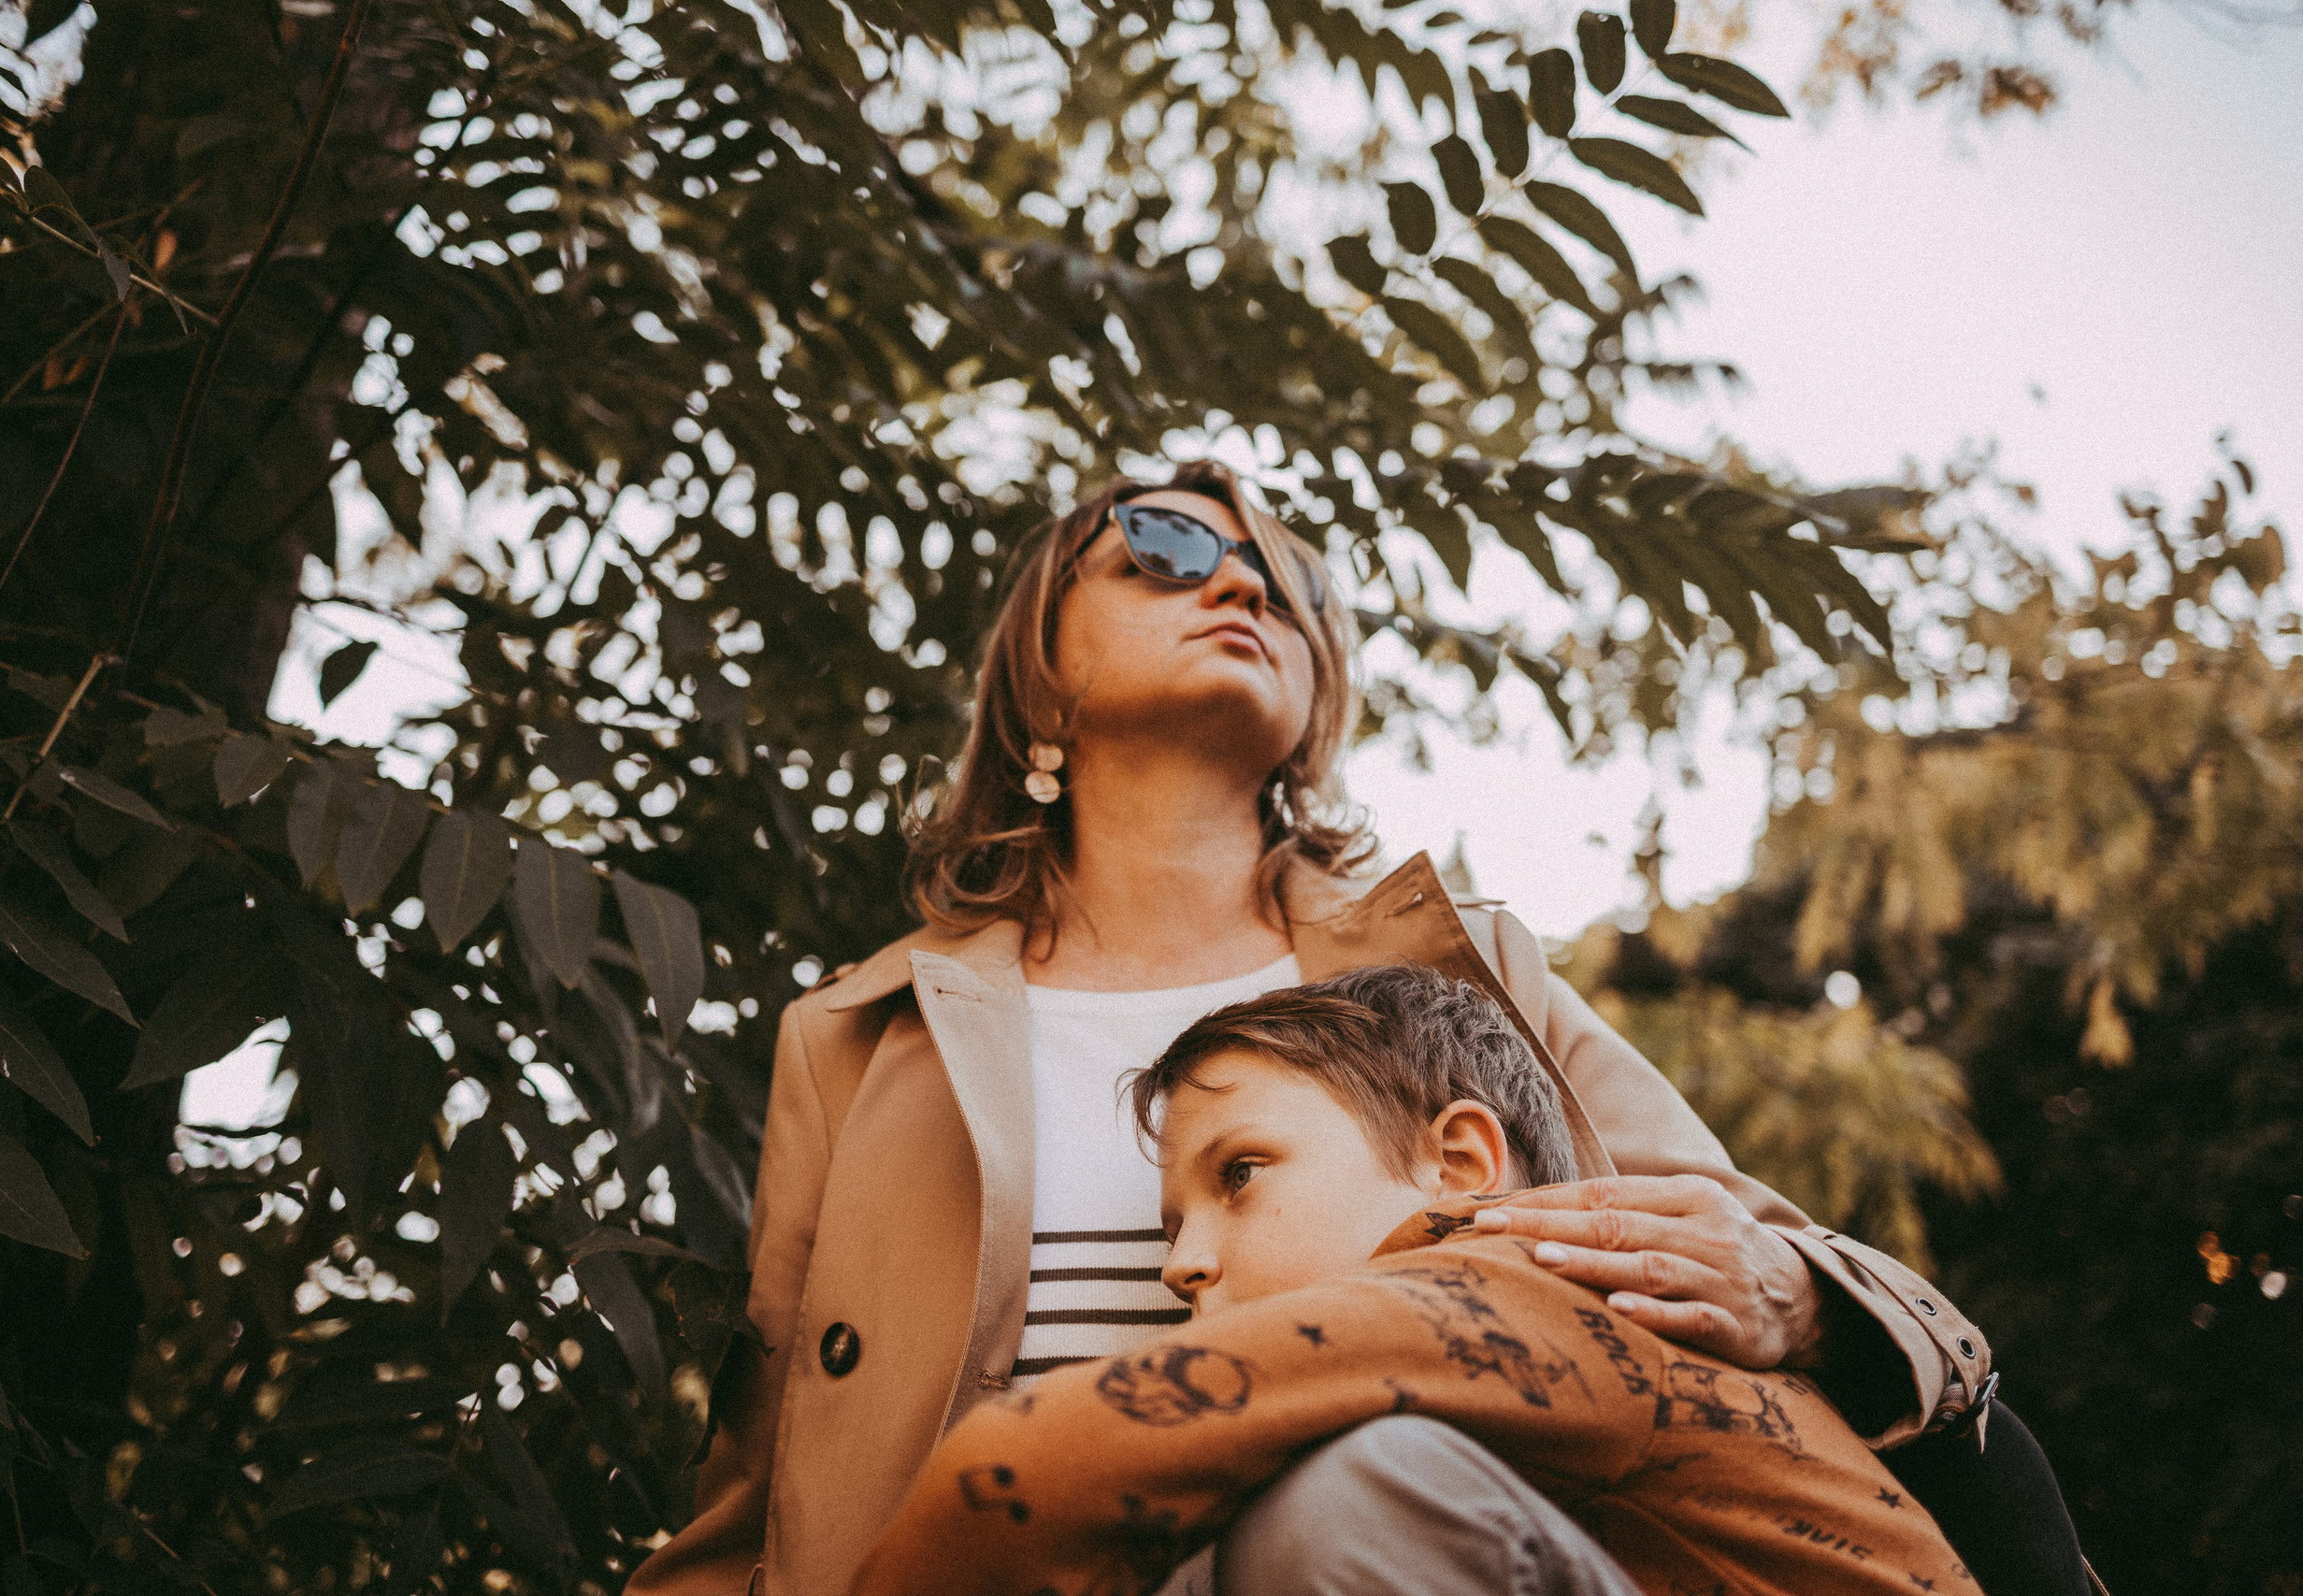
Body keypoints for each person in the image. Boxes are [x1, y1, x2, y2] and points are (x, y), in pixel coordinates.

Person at [628, 460, 2023, 1596]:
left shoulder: (1466, 969)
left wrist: (1795, 1288)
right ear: (1040, 673)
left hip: (1398, 1559)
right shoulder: (857, 1037)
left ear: (1311, 709)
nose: (1239, 578)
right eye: (1159, 547)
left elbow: (1725, 1241)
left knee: (1341, 1506)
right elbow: (752, 1504)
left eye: (1287, 584)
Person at [853, 963, 1979, 1596]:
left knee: (1355, 1499)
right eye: (1173, 1222)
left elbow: (1017, 1464)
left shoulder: (1536, 1279)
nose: (1182, 1261)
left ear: (1460, 1163)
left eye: (1240, 1174)